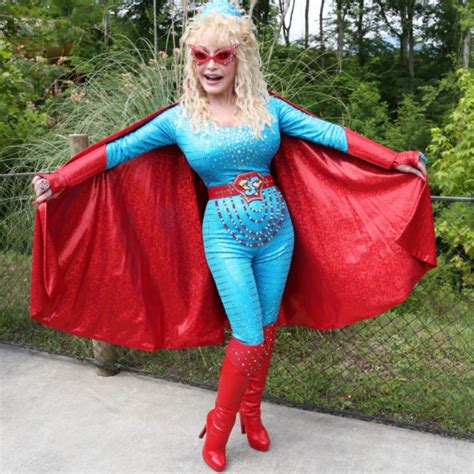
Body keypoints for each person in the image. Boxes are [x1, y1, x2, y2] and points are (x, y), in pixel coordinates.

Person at [30, 0, 436, 471]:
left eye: (222, 56)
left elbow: (333, 135)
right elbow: (117, 151)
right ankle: (219, 424)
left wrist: (392, 159)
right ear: (191, 59)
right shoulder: (180, 119)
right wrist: (59, 180)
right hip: (224, 237)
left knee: (264, 332)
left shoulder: (269, 109)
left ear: (240, 57)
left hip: (279, 234)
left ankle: (252, 413)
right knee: (246, 334)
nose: (211, 66)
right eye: (201, 55)